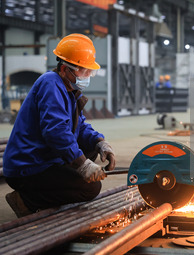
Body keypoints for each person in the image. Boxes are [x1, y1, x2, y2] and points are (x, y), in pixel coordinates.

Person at [3, 34, 115, 218]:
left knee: (90, 150)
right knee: (91, 188)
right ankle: (26, 200)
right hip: (28, 166)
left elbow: (79, 126)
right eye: (84, 71)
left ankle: (54, 183)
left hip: (44, 158)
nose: (88, 76)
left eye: (90, 72)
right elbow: (56, 132)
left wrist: (99, 142)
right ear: (65, 69)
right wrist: (82, 165)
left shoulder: (69, 90)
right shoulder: (50, 84)